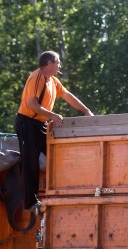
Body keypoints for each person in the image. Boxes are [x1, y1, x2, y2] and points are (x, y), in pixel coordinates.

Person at [15, 50, 93, 213]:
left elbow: (67, 95)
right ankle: (30, 202)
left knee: (55, 156)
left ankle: (64, 191)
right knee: (31, 163)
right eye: (58, 62)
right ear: (49, 63)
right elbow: (32, 104)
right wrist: (53, 115)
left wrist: (86, 110)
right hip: (27, 123)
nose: (59, 65)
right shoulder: (37, 78)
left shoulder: (53, 81)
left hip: (40, 124)